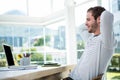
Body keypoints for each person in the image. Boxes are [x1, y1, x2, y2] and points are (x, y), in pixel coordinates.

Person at [63, 6, 117, 80]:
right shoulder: (90, 39)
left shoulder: (106, 40)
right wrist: (91, 20)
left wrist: (99, 18)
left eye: (88, 19)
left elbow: (107, 15)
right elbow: (81, 28)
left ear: (99, 19)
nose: (85, 23)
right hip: (70, 78)